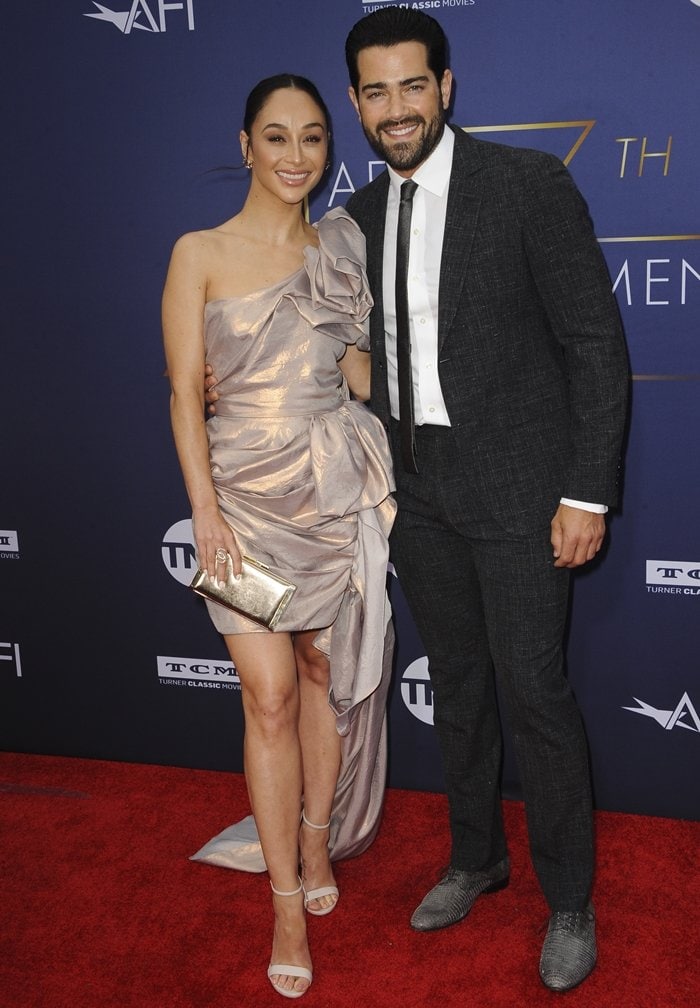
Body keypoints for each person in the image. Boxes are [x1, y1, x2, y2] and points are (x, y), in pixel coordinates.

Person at [340, 7, 629, 993]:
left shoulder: (526, 186)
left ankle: (570, 902)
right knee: (456, 691)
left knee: (534, 698)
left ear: (446, 87)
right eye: (375, 91)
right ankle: (476, 858)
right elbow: (350, 353)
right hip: (414, 494)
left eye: (412, 85)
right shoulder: (359, 220)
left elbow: (594, 346)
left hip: (519, 491)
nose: (396, 107)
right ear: (355, 104)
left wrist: (585, 491)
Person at [163, 74, 395, 1000]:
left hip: (327, 492)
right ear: (246, 143)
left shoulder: (340, 250)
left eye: (312, 139)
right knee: (265, 696)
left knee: (317, 681)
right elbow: (185, 393)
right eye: (276, 137)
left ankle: (313, 837)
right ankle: (287, 900)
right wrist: (205, 508)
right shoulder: (200, 253)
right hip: (241, 504)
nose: (296, 157)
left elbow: (362, 379)